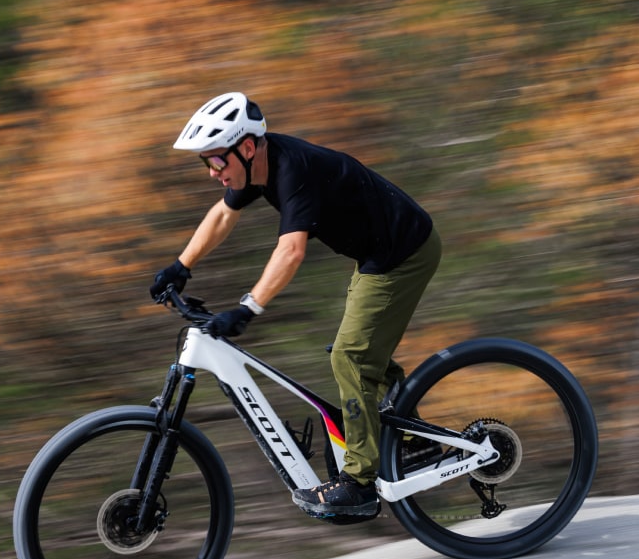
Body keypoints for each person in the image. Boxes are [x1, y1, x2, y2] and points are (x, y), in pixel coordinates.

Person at [149, 91, 441, 519]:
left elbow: (291, 252)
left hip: (404, 253)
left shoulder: (293, 171)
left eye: (216, 160)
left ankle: (359, 484)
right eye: (206, 162)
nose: (212, 172)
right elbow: (223, 215)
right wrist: (180, 265)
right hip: (377, 255)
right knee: (357, 350)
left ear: (247, 148)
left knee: (352, 357)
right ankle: (410, 438)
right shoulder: (256, 169)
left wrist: (248, 308)